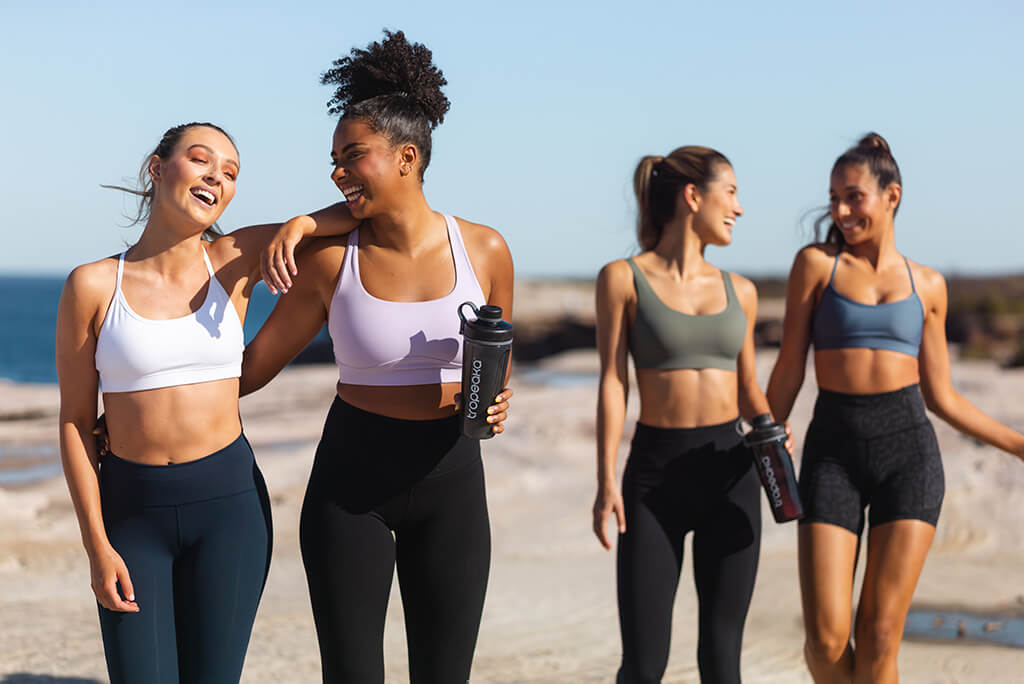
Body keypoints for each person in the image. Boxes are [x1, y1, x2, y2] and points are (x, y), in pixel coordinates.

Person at [238, 30, 514, 684]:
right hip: (349, 488)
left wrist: (502, 398)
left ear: (407, 158)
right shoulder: (331, 262)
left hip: (453, 480)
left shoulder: (486, 250)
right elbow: (251, 370)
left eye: (352, 156)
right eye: (333, 159)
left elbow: (500, 355)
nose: (337, 170)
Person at [56, 121, 358, 683]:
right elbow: (75, 423)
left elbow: (360, 213)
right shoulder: (93, 285)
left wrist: (298, 223)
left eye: (231, 173)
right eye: (201, 161)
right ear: (156, 168)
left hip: (230, 510)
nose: (216, 177)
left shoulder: (235, 258)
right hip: (131, 513)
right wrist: (96, 547)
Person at [766, 133, 1024, 684]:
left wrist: (1019, 445)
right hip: (832, 452)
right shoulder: (816, 266)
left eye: (853, 196)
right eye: (834, 196)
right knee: (827, 642)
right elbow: (790, 365)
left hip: (908, 452)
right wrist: (767, 432)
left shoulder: (927, 284)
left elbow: (942, 396)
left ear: (892, 196)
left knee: (881, 635)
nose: (840, 209)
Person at [593, 147, 790, 684]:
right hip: (654, 478)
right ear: (692, 196)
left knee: (723, 660)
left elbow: (748, 387)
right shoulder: (622, 279)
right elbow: (614, 381)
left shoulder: (741, 291)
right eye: (731, 192)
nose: (739, 208)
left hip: (731, 471)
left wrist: (774, 436)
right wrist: (606, 479)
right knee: (644, 664)